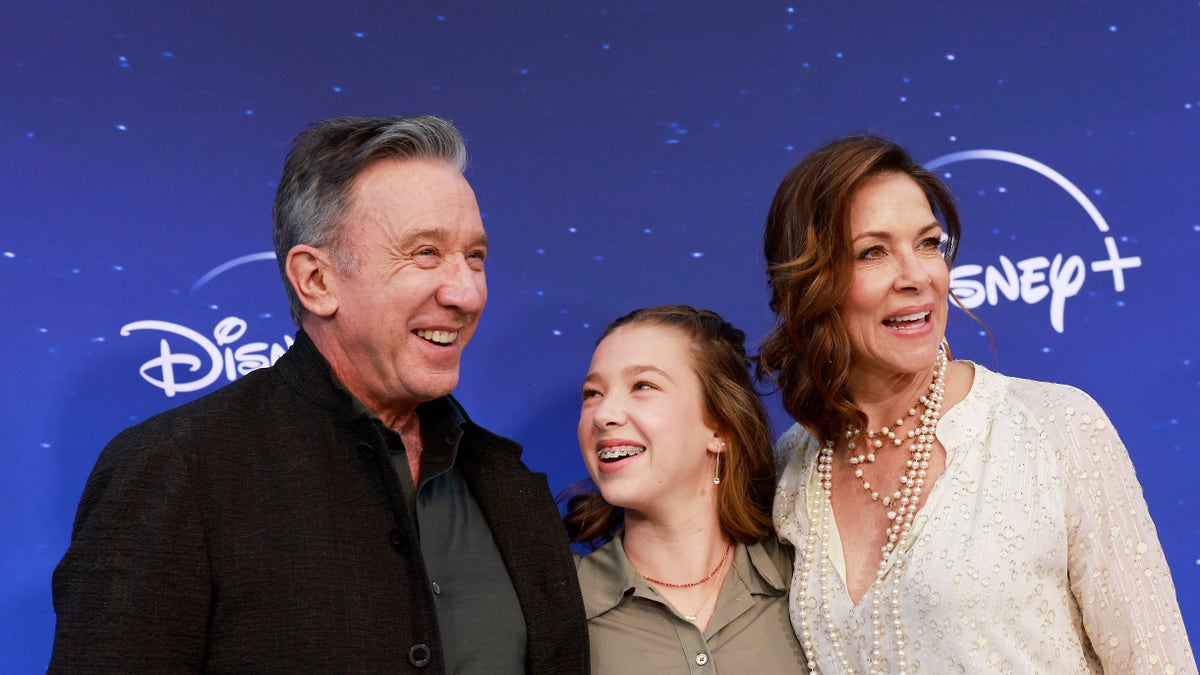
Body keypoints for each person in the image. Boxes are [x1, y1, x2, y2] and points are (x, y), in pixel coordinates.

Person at [50, 115, 589, 673]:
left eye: (474, 256)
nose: (467, 292)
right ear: (316, 281)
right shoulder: (177, 468)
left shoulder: (510, 486)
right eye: (425, 253)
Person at [757, 134, 1195, 674]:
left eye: (928, 244)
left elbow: (1157, 664)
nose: (916, 277)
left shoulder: (1055, 428)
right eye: (872, 252)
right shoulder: (791, 470)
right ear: (808, 284)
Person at [564, 305, 805, 673]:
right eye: (592, 393)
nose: (602, 414)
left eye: (642, 385)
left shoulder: (804, 579)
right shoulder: (555, 607)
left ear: (720, 427)